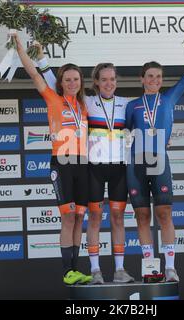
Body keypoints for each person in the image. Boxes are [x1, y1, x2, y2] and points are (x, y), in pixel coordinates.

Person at [125, 32, 184, 282]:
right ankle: (149, 266)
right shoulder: (131, 105)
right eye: (150, 76)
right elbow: (121, 134)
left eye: (158, 76)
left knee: (164, 213)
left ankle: (170, 267)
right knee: (142, 215)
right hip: (136, 163)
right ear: (141, 79)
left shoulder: (169, 97)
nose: (154, 80)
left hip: (160, 161)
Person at [35, 51, 134, 284]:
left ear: (116, 82)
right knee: (93, 217)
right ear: (95, 83)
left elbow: (142, 123)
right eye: (104, 79)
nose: (109, 83)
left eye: (113, 79)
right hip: (92, 167)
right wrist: (41, 59)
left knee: (118, 217)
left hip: (119, 167)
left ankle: (119, 270)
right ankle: (95, 270)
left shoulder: (126, 104)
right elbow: (55, 84)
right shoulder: (85, 101)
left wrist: (163, 137)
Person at [14, 34, 92, 285]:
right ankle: (66, 271)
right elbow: (36, 74)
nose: (72, 83)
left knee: (80, 216)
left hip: (83, 164)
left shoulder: (84, 105)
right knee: (68, 216)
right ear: (61, 82)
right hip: (62, 162)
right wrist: (19, 48)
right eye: (67, 80)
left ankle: (75, 269)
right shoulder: (52, 98)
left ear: (81, 81)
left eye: (75, 79)